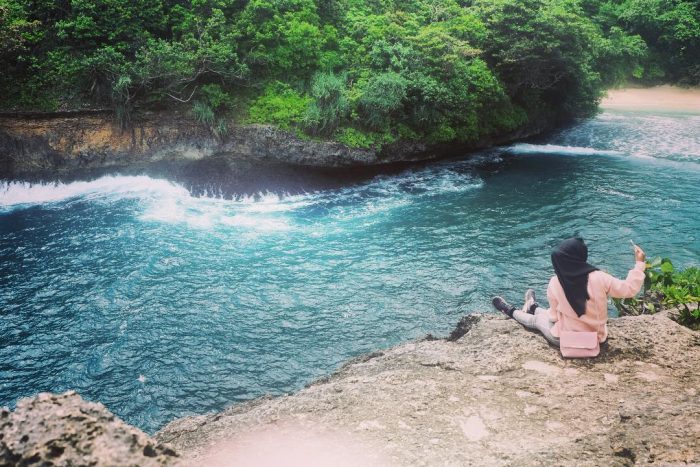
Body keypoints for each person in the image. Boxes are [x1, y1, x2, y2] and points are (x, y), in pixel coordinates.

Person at [492, 237, 646, 347]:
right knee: (549, 316)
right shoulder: (600, 277)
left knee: (537, 321)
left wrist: (558, 317)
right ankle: (532, 306)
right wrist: (639, 264)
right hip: (597, 338)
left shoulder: (555, 282)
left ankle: (510, 310)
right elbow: (629, 289)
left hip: (568, 340)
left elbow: (553, 316)